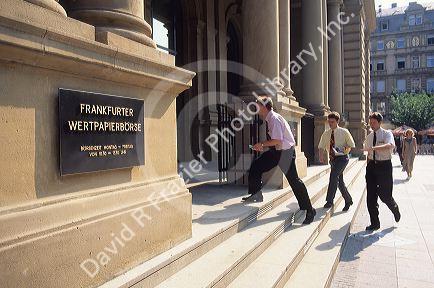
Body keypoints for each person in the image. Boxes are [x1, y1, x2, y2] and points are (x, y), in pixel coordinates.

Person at [243, 96, 316, 225]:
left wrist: (262, 144)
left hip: (285, 153)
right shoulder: (270, 118)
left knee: (294, 181)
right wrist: (263, 146)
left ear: (264, 107)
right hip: (276, 151)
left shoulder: (274, 119)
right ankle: (256, 193)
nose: (256, 108)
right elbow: (276, 141)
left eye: (258, 105)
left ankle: (309, 210)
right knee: (257, 165)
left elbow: (277, 140)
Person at [362, 112, 401, 231]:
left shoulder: (387, 133)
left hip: (384, 166)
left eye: (374, 123)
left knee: (385, 195)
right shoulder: (369, 136)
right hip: (372, 167)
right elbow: (368, 152)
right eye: (370, 123)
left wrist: (374, 148)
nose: (372, 125)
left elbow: (390, 145)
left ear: (380, 122)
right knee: (371, 197)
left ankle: (394, 208)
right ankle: (375, 223)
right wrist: (369, 165)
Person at [318, 112, 356, 211]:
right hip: (333, 160)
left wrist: (341, 149)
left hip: (343, 158)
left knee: (333, 176)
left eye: (332, 122)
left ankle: (329, 201)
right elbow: (321, 146)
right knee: (339, 182)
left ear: (337, 121)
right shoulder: (326, 133)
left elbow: (351, 145)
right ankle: (348, 200)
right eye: (329, 122)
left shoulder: (344, 132)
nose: (330, 124)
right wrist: (321, 156)